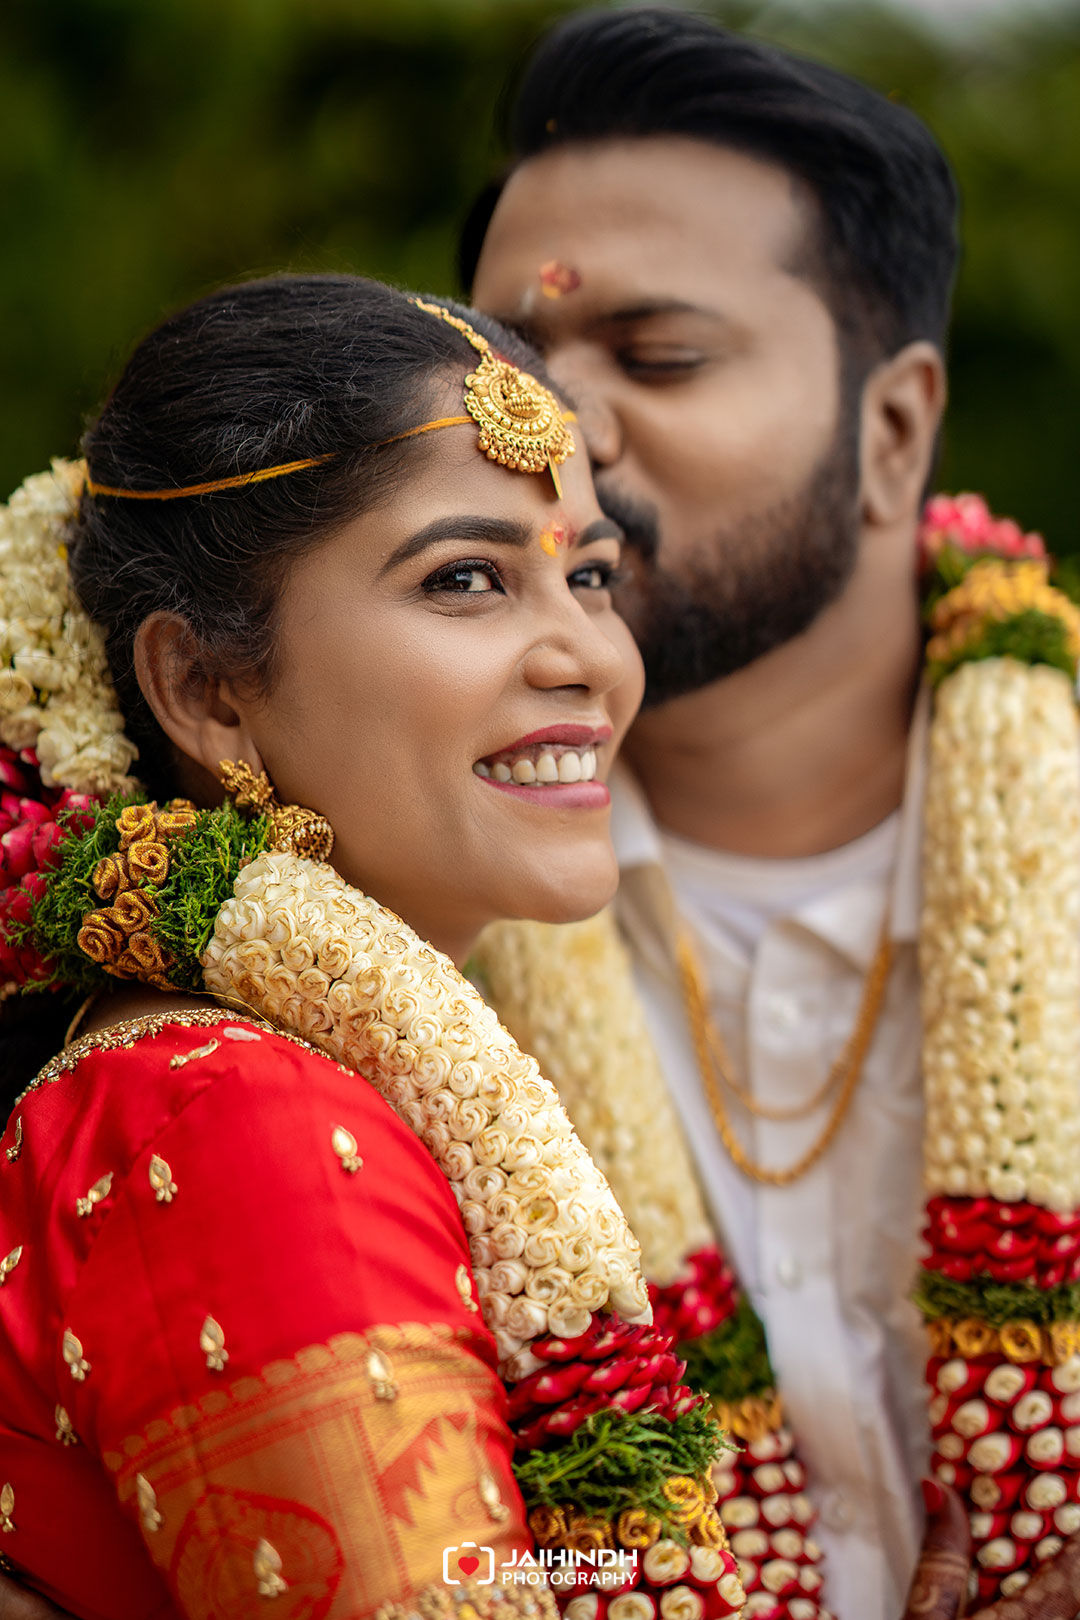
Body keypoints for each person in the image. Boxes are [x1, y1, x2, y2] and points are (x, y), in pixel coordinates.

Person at [0, 274, 744, 1619]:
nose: (590, 658)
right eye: (466, 579)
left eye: (588, 575)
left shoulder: (349, 1069)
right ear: (205, 689)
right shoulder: (234, 1114)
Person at [463, 10, 1080, 1620]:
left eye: (659, 357)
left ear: (894, 429)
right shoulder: (384, 928)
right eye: (507, 375)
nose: (560, 436)